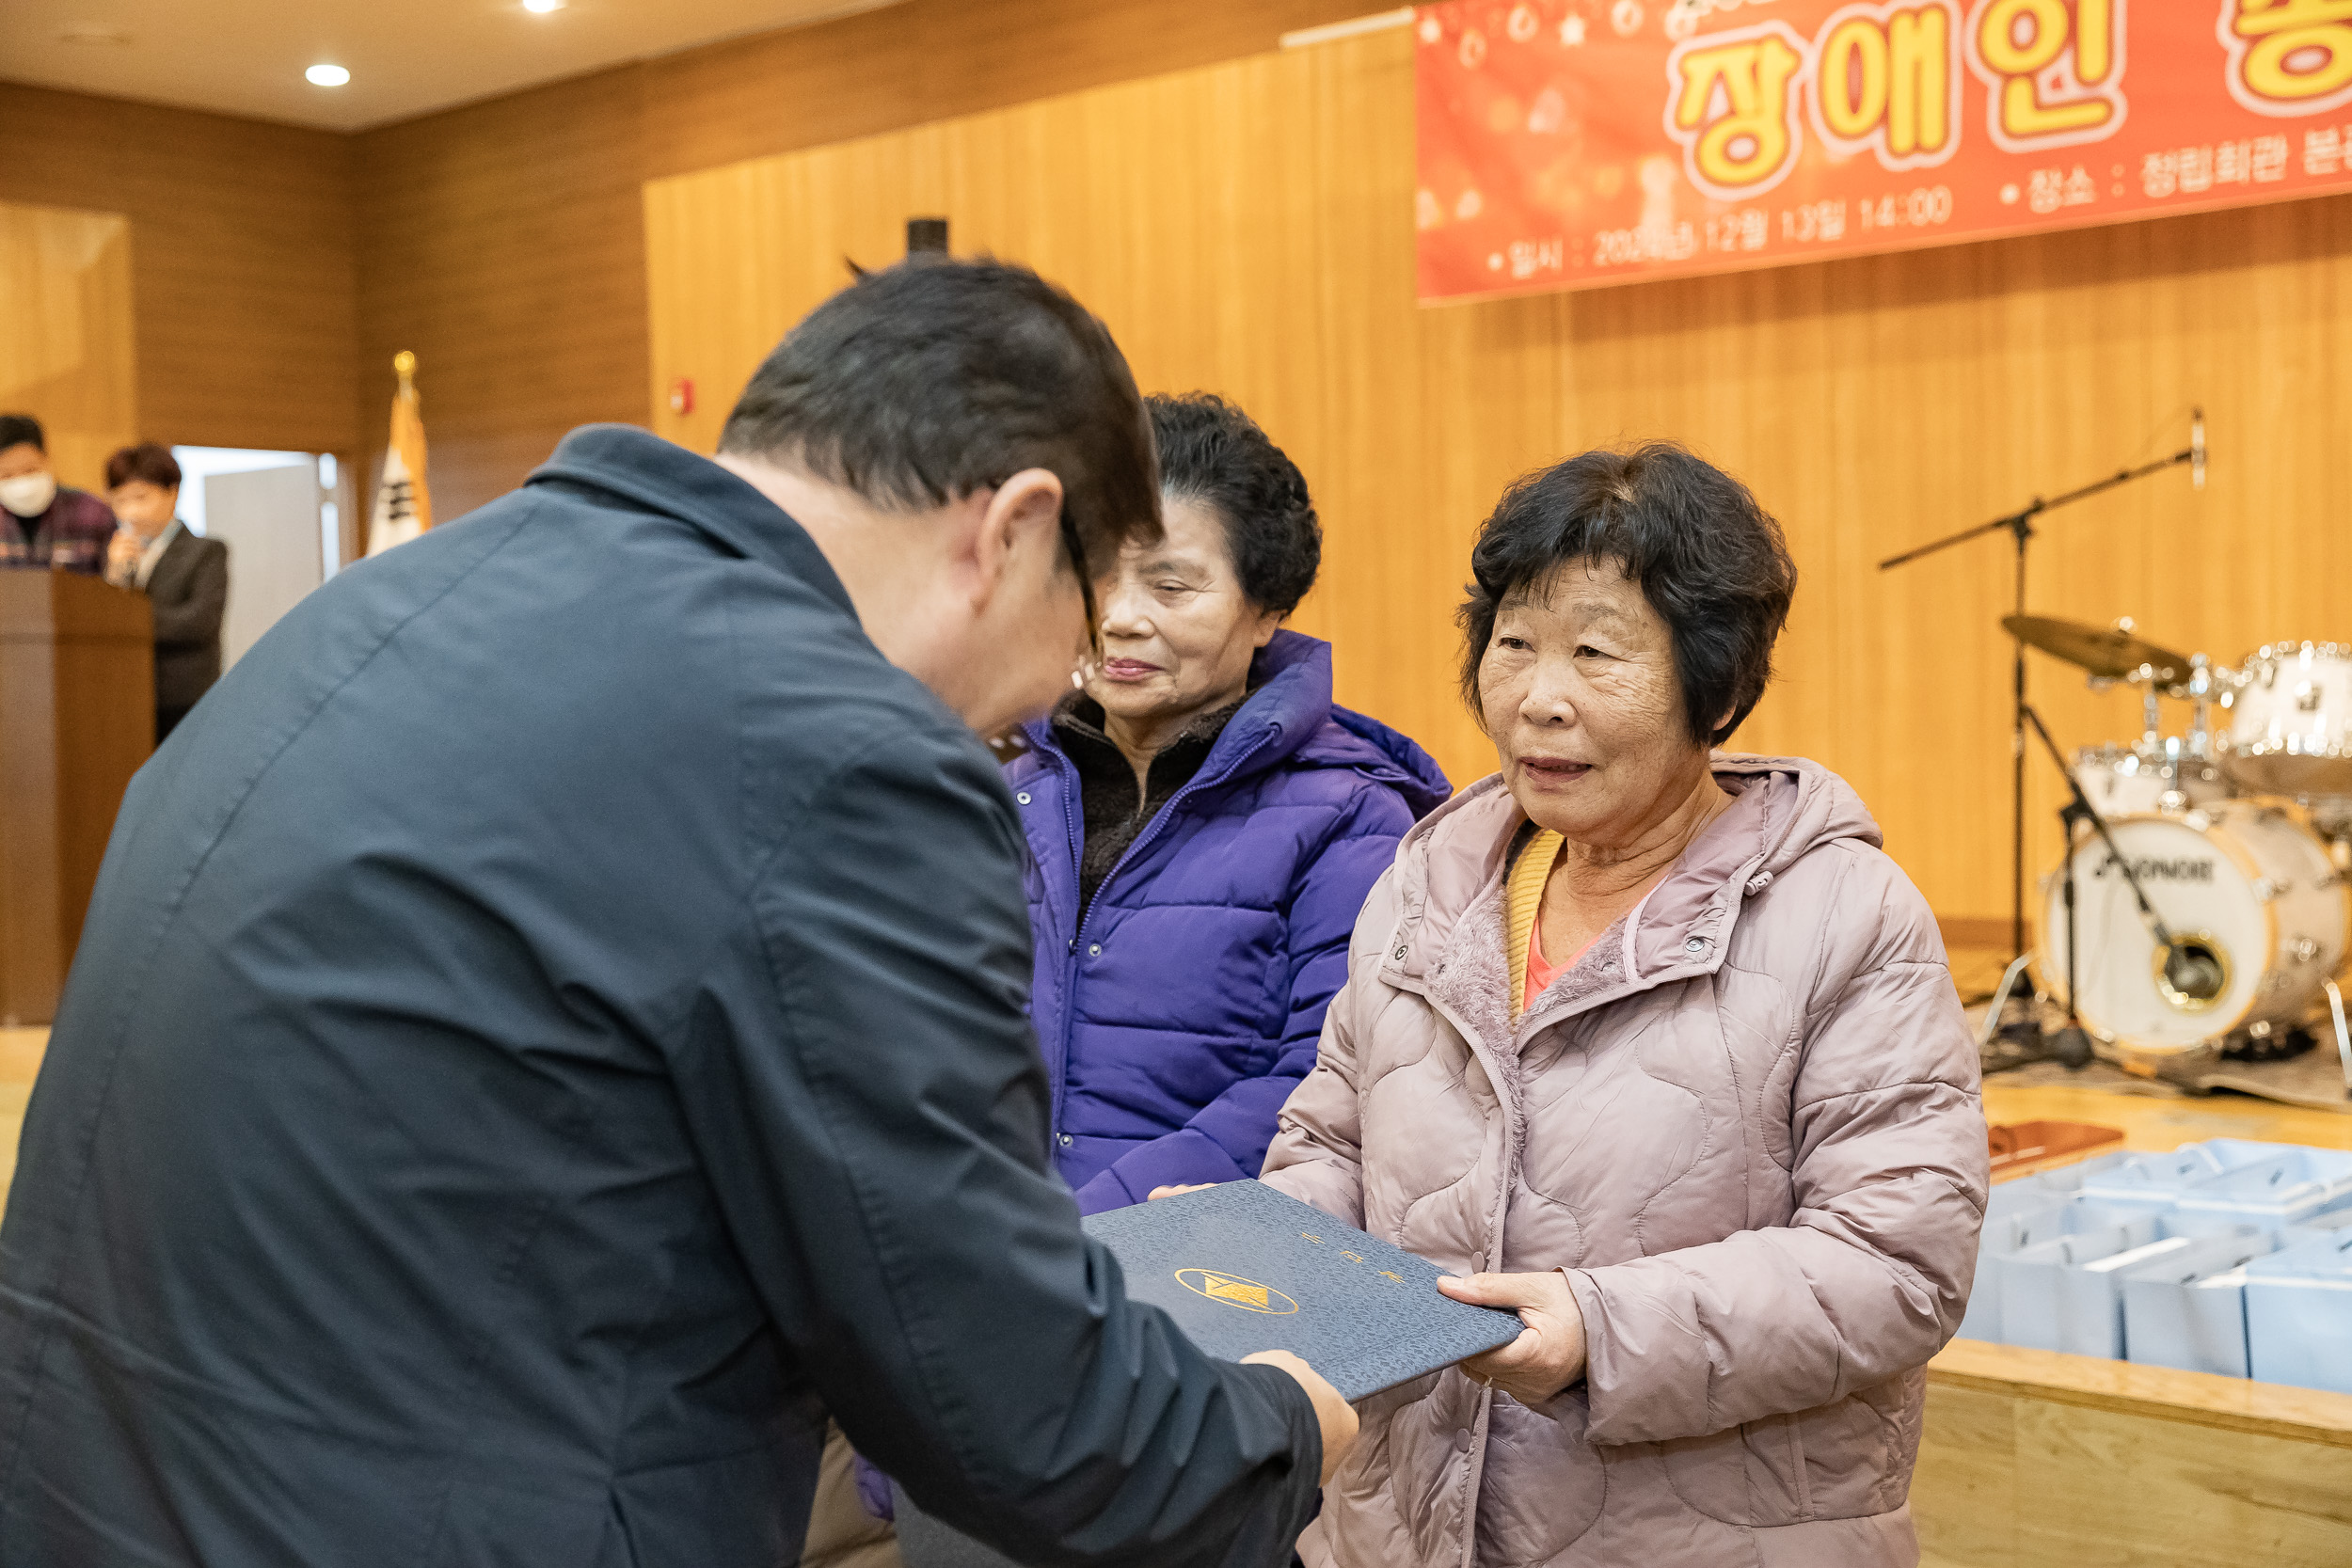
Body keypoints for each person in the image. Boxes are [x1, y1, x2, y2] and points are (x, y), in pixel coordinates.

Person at [0, 259, 1355, 1568]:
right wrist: (1280, 1423)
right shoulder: (843, 754)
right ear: (1008, 530)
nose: (1057, 681)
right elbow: (1001, 1391)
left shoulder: (378, 608)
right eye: (1083, 599)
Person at [1259, 443, 1987, 1567]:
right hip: (1396, 1526)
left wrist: (1603, 1325)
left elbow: (1899, 1259)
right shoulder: (1427, 880)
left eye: (1596, 653)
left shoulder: (1841, 909)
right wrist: (1266, 1249)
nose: (1538, 698)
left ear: (1715, 683)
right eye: (1512, 645)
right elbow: (1331, 1131)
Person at [1009, 392, 1450, 1213]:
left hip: (1185, 1268)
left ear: (1265, 611)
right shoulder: (993, 773)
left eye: (1171, 586)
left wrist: (1077, 1235)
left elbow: (1321, 1080)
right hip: (965, 1256)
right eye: (1095, 576)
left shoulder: (1353, 817)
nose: (1119, 618)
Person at [103, 441, 230, 743]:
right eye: (120, 501)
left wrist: (129, 624)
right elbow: (103, 620)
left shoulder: (206, 551)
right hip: (127, 693)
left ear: (172, 493)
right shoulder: (116, 554)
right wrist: (114, 575)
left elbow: (198, 621)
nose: (130, 511)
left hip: (184, 697)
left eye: (140, 498)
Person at [0, 413, 115, 574]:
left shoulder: (94, 513)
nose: (21, 483)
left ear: (47, 460)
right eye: (6, 475)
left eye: (30, 470)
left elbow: (116, 588)